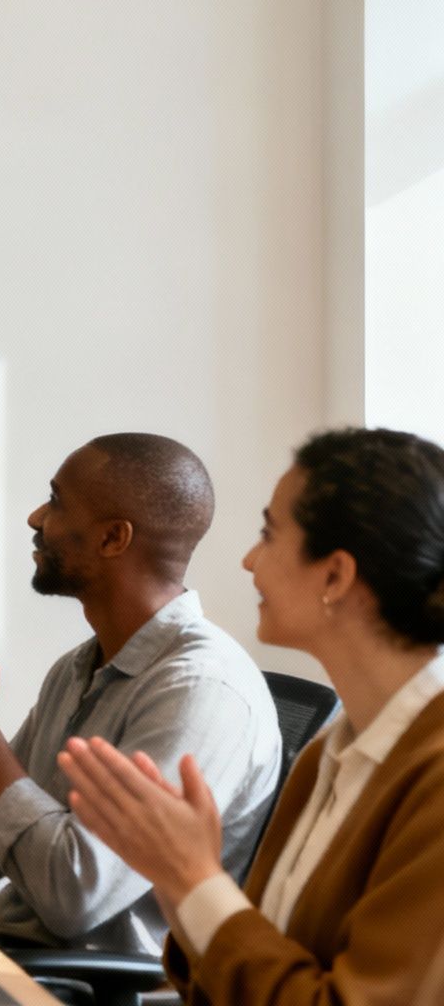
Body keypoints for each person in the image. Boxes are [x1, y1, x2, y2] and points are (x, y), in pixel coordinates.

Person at [62, 427, 444, 1004]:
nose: (248, 558)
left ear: (335, 576)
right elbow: (253, 964)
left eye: (269, 533)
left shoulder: (435, 780)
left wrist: (194, 879)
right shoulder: (330, 753)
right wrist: (178, 878)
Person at [0, 432, 283, 954]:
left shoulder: (199, 690)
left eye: (55, 500)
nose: (34, 518)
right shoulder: (79, 668)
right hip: (10, 958)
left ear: (114, 539)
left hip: (85, 987)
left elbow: (73, 898)